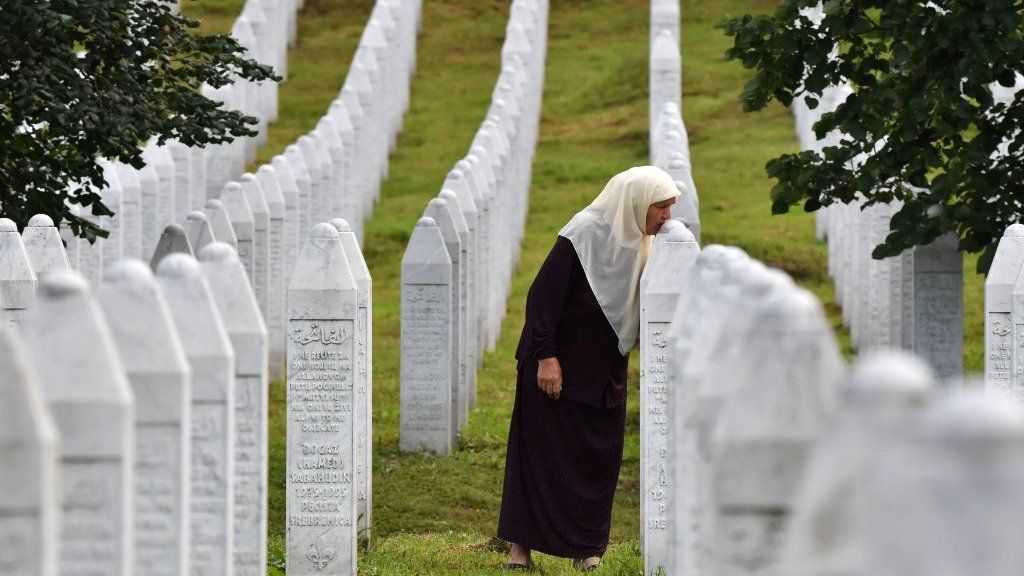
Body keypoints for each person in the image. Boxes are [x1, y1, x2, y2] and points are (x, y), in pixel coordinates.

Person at [498, 166, 680, 571]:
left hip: (603, 373)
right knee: (537, 457)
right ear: (636, 202)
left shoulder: (646, 241)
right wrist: (546, 358)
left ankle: (587, 548)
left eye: (670, 208)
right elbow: (542, 298)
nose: (667, 217)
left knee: (597, 460)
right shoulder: (583, 231)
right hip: (554, 369)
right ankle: (520, 550)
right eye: (661, 207)